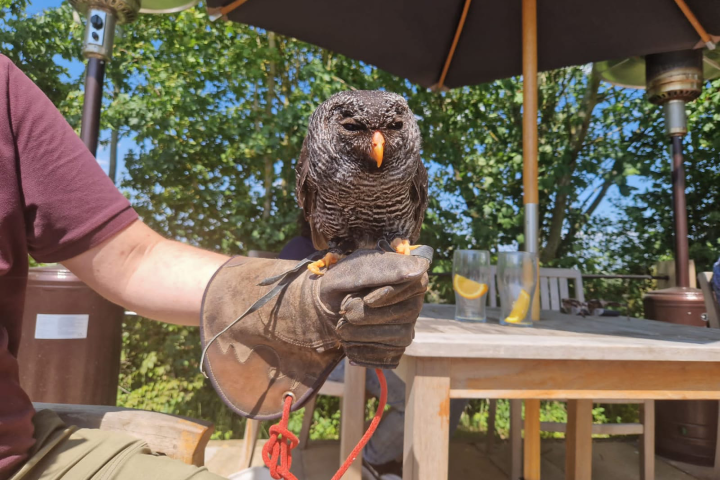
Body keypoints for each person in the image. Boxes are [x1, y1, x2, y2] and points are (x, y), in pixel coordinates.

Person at [0, 54, 429, 480]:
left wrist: (298, 300)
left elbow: (133, 261)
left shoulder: (7, 89)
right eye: (354, 128)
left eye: (392, 129)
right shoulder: (319, 164)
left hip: (22, 451)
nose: (378, 142)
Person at [278, 215, 468, 480]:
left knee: (454, 387)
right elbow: (286, 319)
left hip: (361, 347)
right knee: (432, 392)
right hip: (320, 357)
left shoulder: (363, 251)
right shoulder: (299, 250)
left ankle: (400, 456)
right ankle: (376, 459)